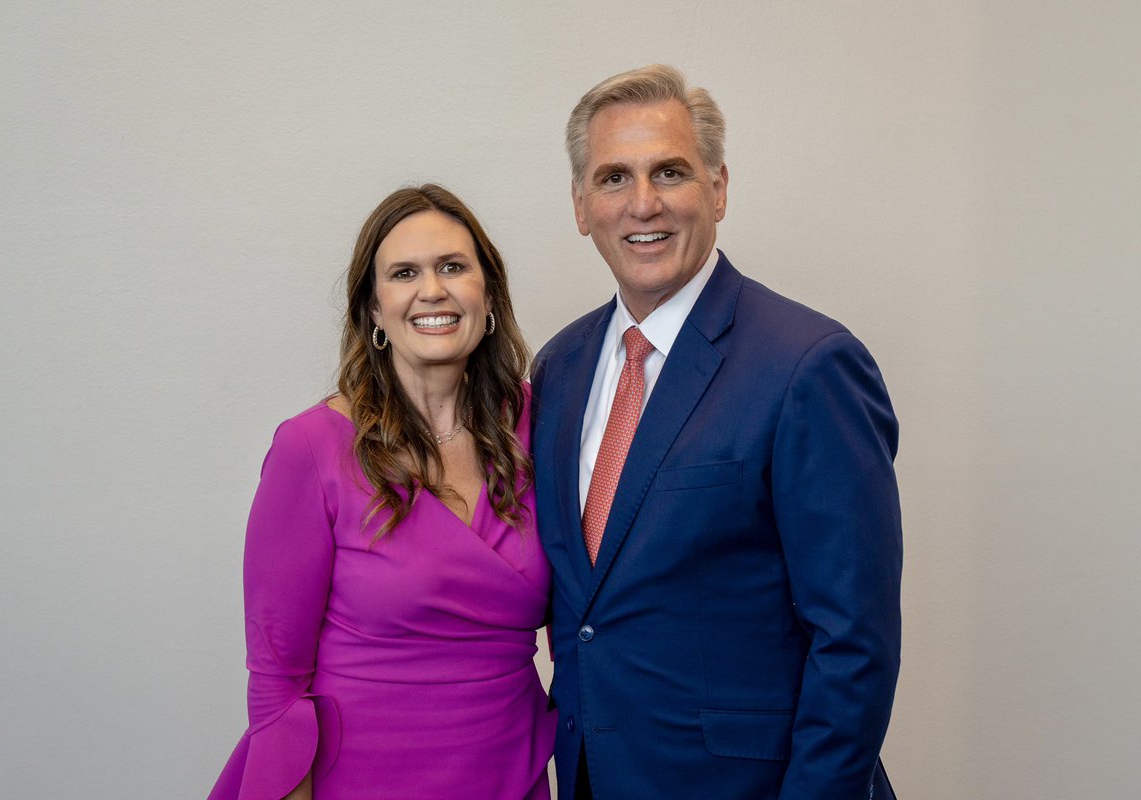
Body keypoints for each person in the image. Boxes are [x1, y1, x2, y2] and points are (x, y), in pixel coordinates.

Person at [530, 65, 902, 799]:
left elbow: (855, 644)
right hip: (590, 779)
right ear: (580, 206)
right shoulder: (558, 368)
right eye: (613, 178)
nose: (643, 203)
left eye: (670, 172)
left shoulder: (808, 366)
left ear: (719, 188)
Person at [209, 184, 555, 800]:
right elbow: (276, 680)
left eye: (453, 266)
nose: (433, 290)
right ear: (372, 309)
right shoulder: (310, 449)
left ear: (489, 293)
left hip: (510, 768)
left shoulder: (544, 424)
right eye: (403, 273)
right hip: (362, 776)